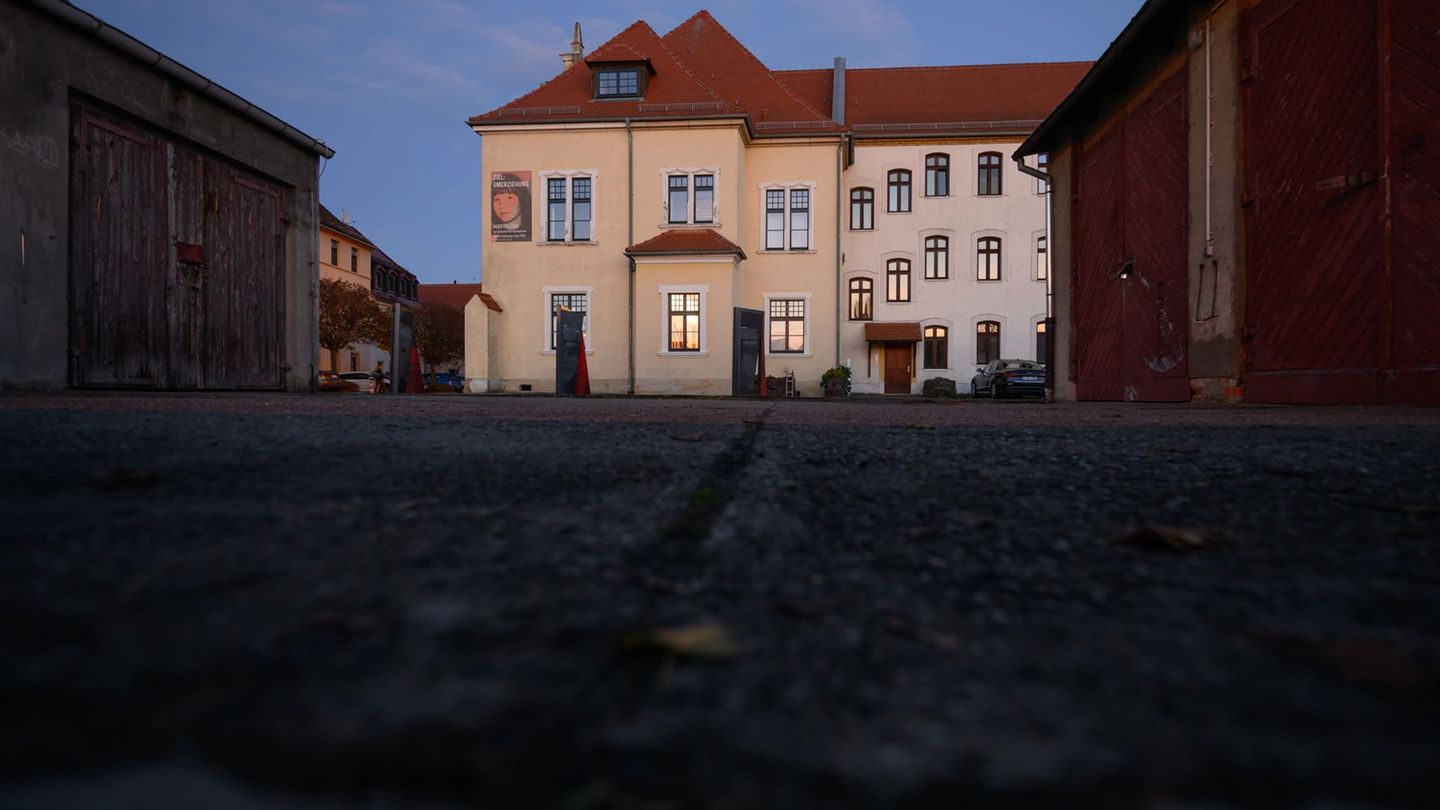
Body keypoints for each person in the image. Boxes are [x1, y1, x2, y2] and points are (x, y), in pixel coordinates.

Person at [490, 172, 530, 239]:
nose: (501, 206)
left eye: (509, 198)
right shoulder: (493, 236)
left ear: (521, 199)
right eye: (497, 199)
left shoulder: (532, 230)